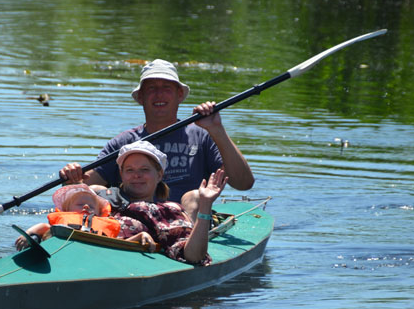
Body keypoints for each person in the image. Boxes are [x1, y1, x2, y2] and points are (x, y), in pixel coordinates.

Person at [60, 58, 254, 217]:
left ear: (179, 95)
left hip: (185, 222)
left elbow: (244, 183)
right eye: (151, 88)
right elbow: (85, 186)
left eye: (166, 88)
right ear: (141, 97)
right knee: (95, 190)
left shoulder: (203, 136)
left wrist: (217, 130)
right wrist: (72, 177)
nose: (159, 94)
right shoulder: (123, 142)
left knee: (193, 196)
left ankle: (184, 248)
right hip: (132, 219)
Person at [95, 140, 228, 265]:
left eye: (145, 169)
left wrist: (205, 206)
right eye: (130, 170)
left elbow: (193, 256)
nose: (136, 175)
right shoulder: (101, 198)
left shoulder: (167, 212)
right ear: (121, 174)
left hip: (129, 263)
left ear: (159, 175)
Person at [14, 183, 120, 250]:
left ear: (99, 212)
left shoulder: (105, 223)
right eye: (80, 204)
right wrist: (27, 235)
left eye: (91, 206)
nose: (86, 206)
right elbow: (44, 227)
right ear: (66, 210)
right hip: (63, 250)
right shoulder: (63, 219)